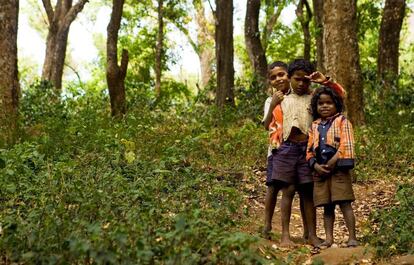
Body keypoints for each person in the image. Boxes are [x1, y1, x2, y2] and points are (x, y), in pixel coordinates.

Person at [307, 86, 358, 248]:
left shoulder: (342, 121)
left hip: (339, 171)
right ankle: (329, 239)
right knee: (327, 207)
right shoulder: (314, 126)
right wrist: (315, 165)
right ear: (316, 106)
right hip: (321, 172)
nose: (324, 106)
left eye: (329, 103)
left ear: (336, 104)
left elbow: (346, 143)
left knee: (344, 203)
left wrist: (334, 160)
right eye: (320, 103)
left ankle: (352, 237)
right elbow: (309, 150)